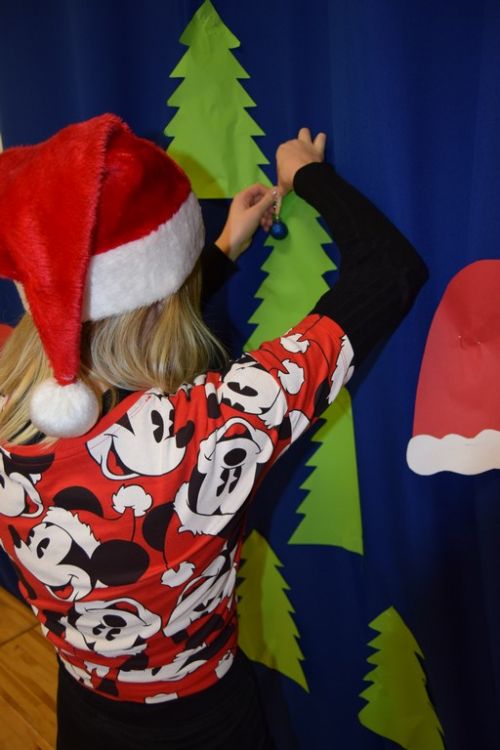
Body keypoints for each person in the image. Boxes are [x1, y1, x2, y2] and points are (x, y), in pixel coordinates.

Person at [0, 115, 427, 750]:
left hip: (85, 714)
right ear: (162, 292)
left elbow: (108, 350)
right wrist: (307, 175)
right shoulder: (213, 428)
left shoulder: (11, 399)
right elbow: (389, 271)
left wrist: (223, 247)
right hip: (204, 725)